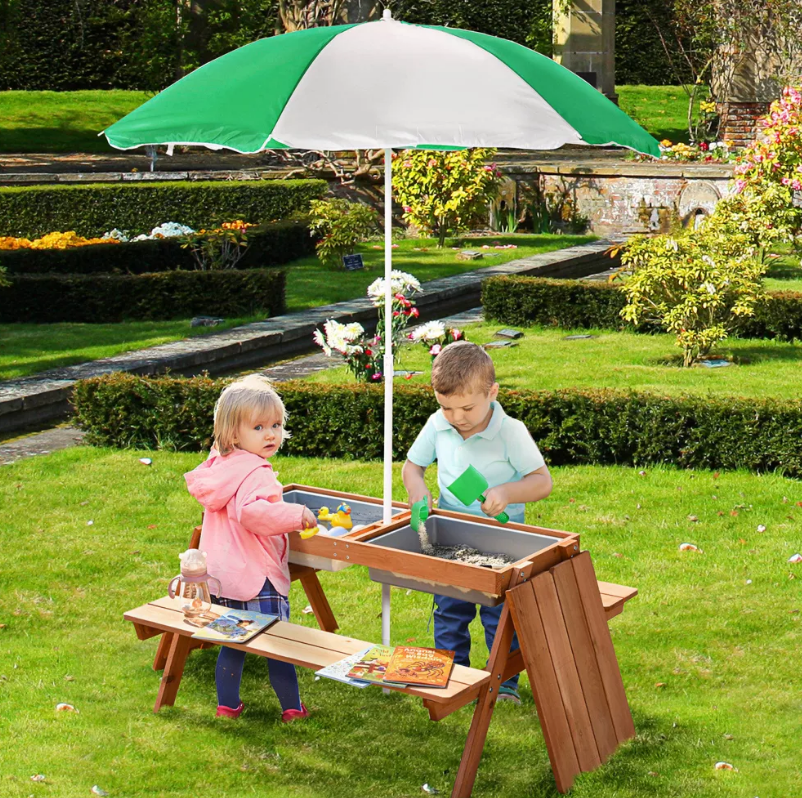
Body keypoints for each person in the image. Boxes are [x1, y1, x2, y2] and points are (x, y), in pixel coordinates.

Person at [402, 341, 552, 704]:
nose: (457, 417)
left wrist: (507, 493)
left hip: (502, 541)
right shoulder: (437, 425)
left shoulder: (510, 431)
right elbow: (413, 467)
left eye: (467, 407)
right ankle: (452, 676)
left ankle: (504, 682)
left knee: (499, 615)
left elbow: (541, 481)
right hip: (451, 537)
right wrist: (418, 490)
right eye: (446, 407)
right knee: (449, 610)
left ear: (492, 392)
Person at [185, 374, 317, 722]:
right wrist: (295, 514)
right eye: (259, 427)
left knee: (232, 643)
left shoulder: (219, 467)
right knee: (278, 645)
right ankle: (292, 708)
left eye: (275, 424)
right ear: (233, 435)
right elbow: (252, 513)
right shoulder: (257, 472)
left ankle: (227, 705)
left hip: (224, 577)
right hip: (259, 578)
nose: (271, 433)